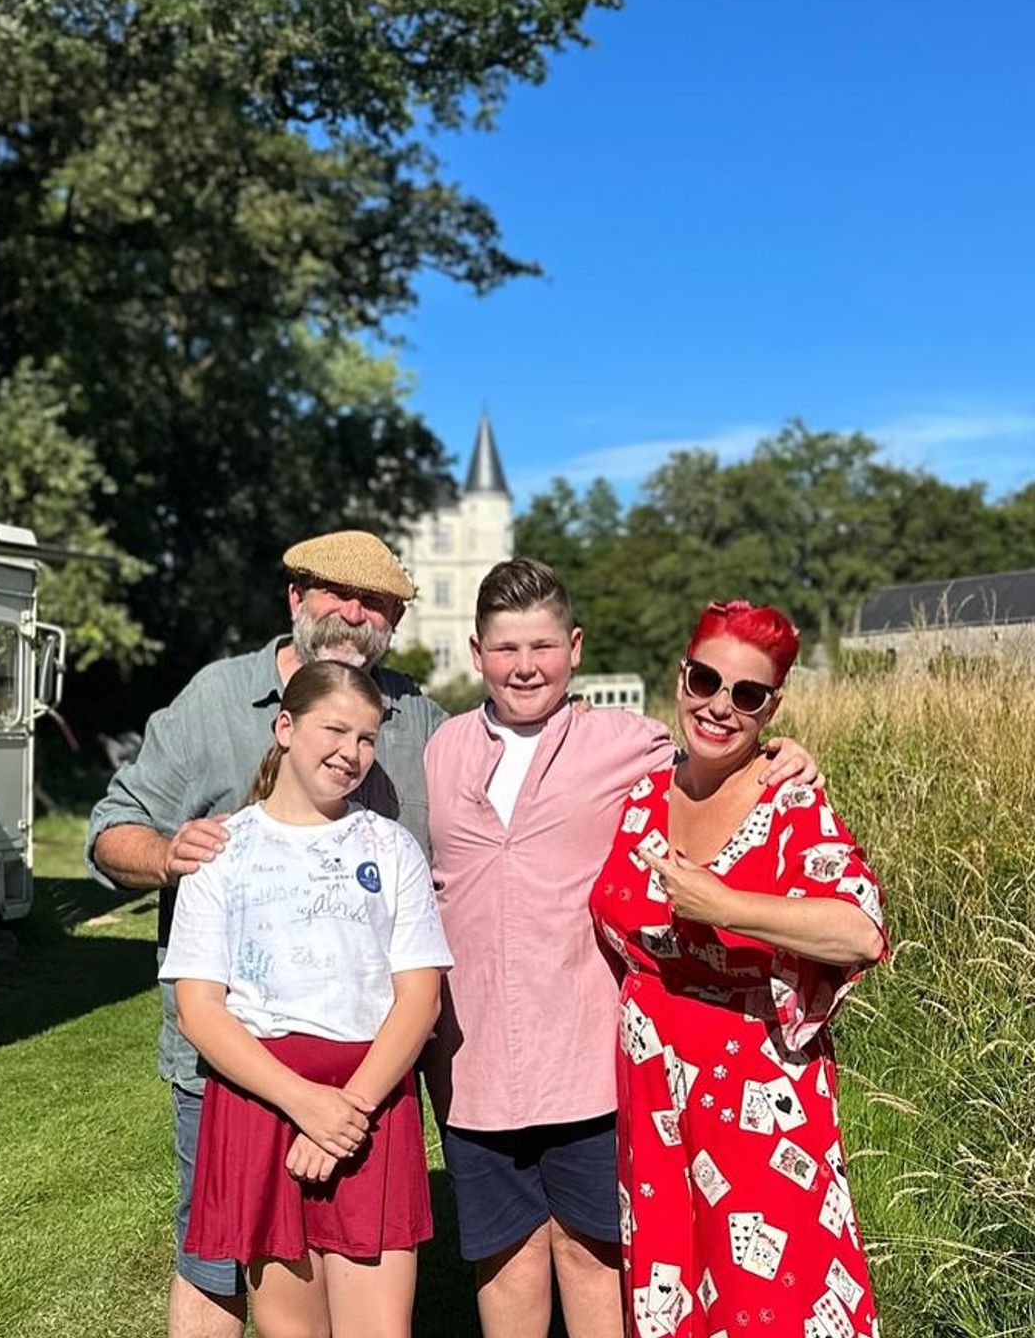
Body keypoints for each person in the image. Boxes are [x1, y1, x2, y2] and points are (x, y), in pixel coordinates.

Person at [422, 562, 822, 1338]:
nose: (525, 666)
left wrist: (787, 751)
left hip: (587, 1064)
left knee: (594, 1254)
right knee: (502, 1264)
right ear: (477, 653)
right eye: (506, 649)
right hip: (472, 1067)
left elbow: (718, 758)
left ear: (574, 647)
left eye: (542, 645)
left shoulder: (629, 744)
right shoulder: (441, 753)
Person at [87, 531, 445, 1338]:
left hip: (371, 1066)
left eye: (376, 603)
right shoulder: (214, 700)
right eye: (336, 594)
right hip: (235, 1071)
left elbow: (513, 771)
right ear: (295, 598)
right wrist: (169, 855)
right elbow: (111, 830)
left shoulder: (419, 717)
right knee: (214, 1268)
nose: (354, 613)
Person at [589, 600, 887, 1338]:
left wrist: (726, 903)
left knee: (775, 1296)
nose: (719, 706)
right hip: (656, 1087)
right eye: (705, 680)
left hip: (756, 1089)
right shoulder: (640, 796)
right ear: (681, 676)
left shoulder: (789, 798)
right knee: (676, 1285)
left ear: (772, 706)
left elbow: (859, 931)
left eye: (747, 694)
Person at [158, 659, 453, 1338]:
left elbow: (419, 998)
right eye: (335, 730)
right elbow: (200, 1008)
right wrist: (303, 1102)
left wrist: (347, 1108)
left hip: (370, 1105)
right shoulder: (222, 853)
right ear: (285, 727)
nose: (351, 753)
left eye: (367, 739)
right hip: (263, 1102)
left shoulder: (391, 846)